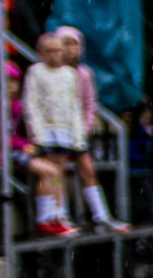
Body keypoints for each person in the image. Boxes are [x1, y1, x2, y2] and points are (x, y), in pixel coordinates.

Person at [25, 31, 127, 232]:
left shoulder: (78, 74)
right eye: (64, 45)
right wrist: (38, 133)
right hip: (52, 131)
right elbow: (34, 104)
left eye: (72, 45)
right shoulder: (37, 72)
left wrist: (81, 132)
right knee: (57, 172)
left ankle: (101, 215)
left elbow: (84, 105)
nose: (66, 50)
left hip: (73, 131)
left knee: (88, 169)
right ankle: (58, 214)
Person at [8, 58, 73, 236]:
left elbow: (13, 133)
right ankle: (44, 219)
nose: (11, 86)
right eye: (7, 81)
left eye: (14, 82)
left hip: (13, 151)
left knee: (56, 172)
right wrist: (22, 145)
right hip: (6, 154)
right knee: (48, 171)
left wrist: (26, 144)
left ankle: (58, 215)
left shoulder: (16, 105)